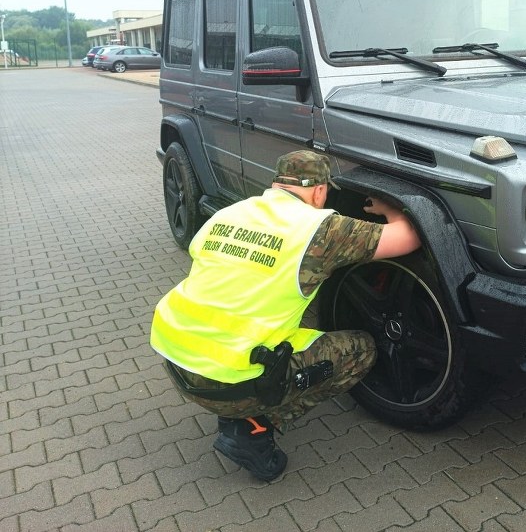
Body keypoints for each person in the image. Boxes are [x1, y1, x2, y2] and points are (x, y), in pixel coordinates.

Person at [150, 150, 421, 481]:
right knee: (361, 350)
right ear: (319, 191)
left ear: (277, 183)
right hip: (228, 382)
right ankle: (253, 426)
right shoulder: (321, 230)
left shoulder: (228, 214)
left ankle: (239, 404)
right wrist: (389, 208)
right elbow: (409, 237)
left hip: (176, 361)